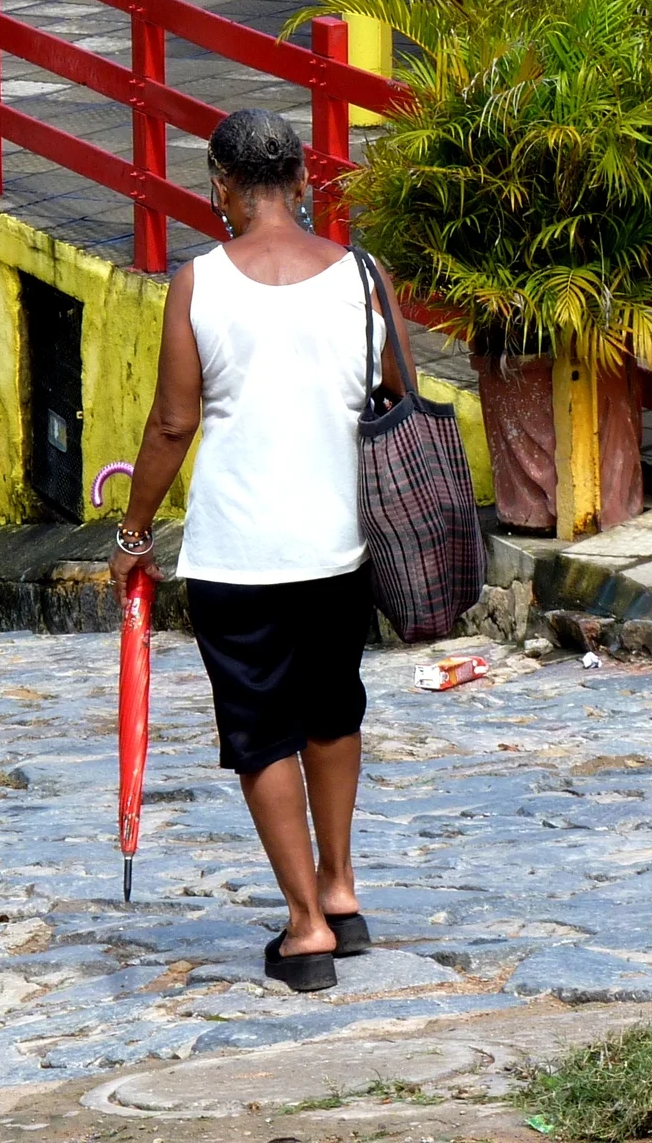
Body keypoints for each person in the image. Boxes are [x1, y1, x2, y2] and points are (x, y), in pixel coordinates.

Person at [110, 107, 402, 994]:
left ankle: (305, 928)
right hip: (342, 544)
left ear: (220, 186)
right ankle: (340, 890)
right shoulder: (363, 278)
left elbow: (172, 423)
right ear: (305, 182)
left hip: (240, 556)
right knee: (332, 709)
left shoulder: (200, 284)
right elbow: (399, 398)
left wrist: (133, 534)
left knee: (260, 731)